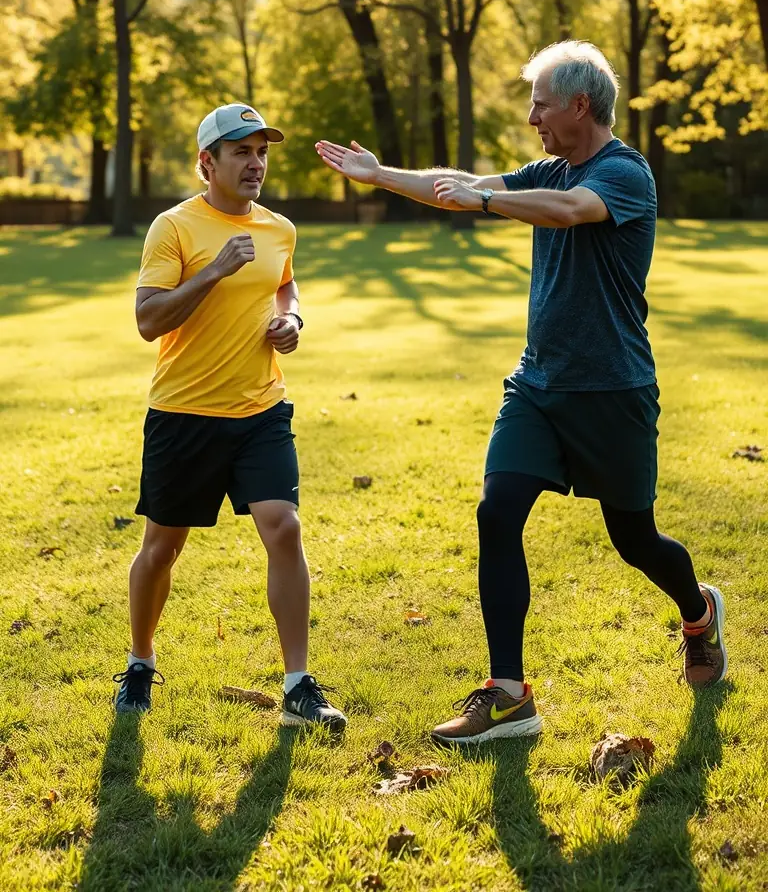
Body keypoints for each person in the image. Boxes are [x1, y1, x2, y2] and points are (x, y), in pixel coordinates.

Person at [316, 41, 726, 746]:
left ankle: (698, 613)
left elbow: (569, 210)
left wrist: (489, 199)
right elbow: (460, 179)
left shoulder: (623, 173)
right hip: (537, 385)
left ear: (578, 105)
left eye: (539, 102)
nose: (532, 115)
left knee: (634, 539)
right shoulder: (548, 168)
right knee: (498, 509)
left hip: (613, 391)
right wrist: (381, 174)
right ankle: (508, 694)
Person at [113, 102, 346, 733]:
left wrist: (291, 320)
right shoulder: (174, 228)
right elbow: (148, 320)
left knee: (284, 528)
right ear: (207, 162)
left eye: (262, 151)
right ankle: (139, 661)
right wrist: (215, 271)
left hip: (260, 407)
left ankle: (297, 685)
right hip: (184, 413)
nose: (256, 163)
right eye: (241, 151)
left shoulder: (279, 229)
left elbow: (284, 284)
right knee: (162, 548)